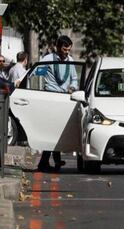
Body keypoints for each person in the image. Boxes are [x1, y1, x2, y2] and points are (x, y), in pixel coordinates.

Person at [37, 35, 77, 172]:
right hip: (51, 98)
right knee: (52, 130)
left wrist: (73, 87)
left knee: (58, 131)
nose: (67, 52)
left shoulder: (70, 61)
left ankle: (47, 162)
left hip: (64, 99)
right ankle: (53, 161)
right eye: (65, 49)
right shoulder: (47, 60)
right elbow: (36, 75)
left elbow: (74, 79)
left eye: (69, 49)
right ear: (58, 47)